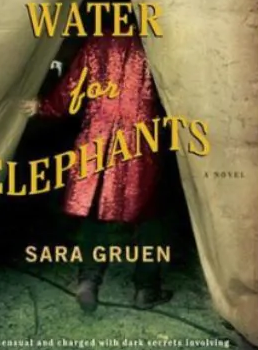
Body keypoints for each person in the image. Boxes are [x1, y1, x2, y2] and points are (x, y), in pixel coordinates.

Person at [21, 31, 169, 313]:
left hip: (97, 134)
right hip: (141, 136)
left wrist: (45, 106)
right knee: (149, 213)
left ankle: (88, 281)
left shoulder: (97, 42)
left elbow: (72, 88)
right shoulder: (157, 42)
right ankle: (146, 289)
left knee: (94, 208)